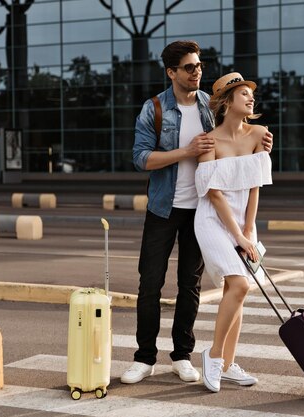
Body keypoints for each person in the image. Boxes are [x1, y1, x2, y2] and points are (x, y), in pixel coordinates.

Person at [126, 41, 272, 384]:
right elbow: (141, 158)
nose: (197, 72)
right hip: (164, 207)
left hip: (202, 210)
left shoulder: (211, 105)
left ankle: (182, 356)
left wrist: (262, 145)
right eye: (189, 67)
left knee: (189, 286)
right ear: (172, 72)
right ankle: (144, 358)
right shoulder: (155, 109)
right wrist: (186, 151)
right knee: (150, 283)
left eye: (199, 66)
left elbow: (239, 137)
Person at [194, 72, 272, 393]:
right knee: (238, 285)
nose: (250, 98)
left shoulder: (259, 134)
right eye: (243, 93)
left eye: (251, 94)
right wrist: (237, 236)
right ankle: (213, 356)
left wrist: (248, 230)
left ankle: (227, 364)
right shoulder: (209, 141)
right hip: (213, 219)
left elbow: (254, 187)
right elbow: (214, 194)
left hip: (244, 221)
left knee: (238, 291)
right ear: (227, 102)